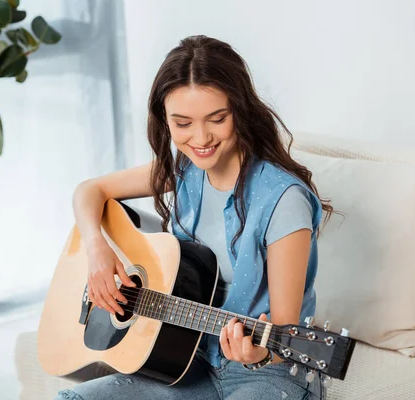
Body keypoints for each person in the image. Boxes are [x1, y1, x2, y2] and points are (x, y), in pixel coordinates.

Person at [58, 35, 333, 400]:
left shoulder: (284, 200)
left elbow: (282, 337)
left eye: (217, 119)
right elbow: (89, 191)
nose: (200, 138)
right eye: (183, 123)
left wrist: (258, 352)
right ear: (165, 120)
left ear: (240, 110)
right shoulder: (182, 171)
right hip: (186, 359)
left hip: (268, 375)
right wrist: (97, 252)